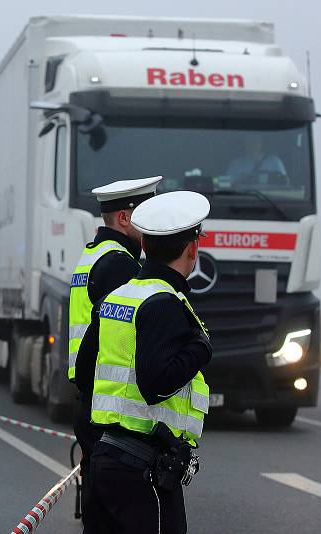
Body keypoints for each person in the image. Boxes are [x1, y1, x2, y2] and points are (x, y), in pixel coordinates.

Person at [78, 191, 213, 534]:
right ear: (192, 249)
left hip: (107, 456)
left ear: (147, 246)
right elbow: (156, 384)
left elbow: (83, 371)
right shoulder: (164, 303)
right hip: (142, 468)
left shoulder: (119, 296)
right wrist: (201, 348)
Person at [68, 176, 160, 533]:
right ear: (124, 218)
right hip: (104, 406)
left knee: (98, 510)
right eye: (145, 214)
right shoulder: (120, 265)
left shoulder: (93, 254)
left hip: (89, 397)